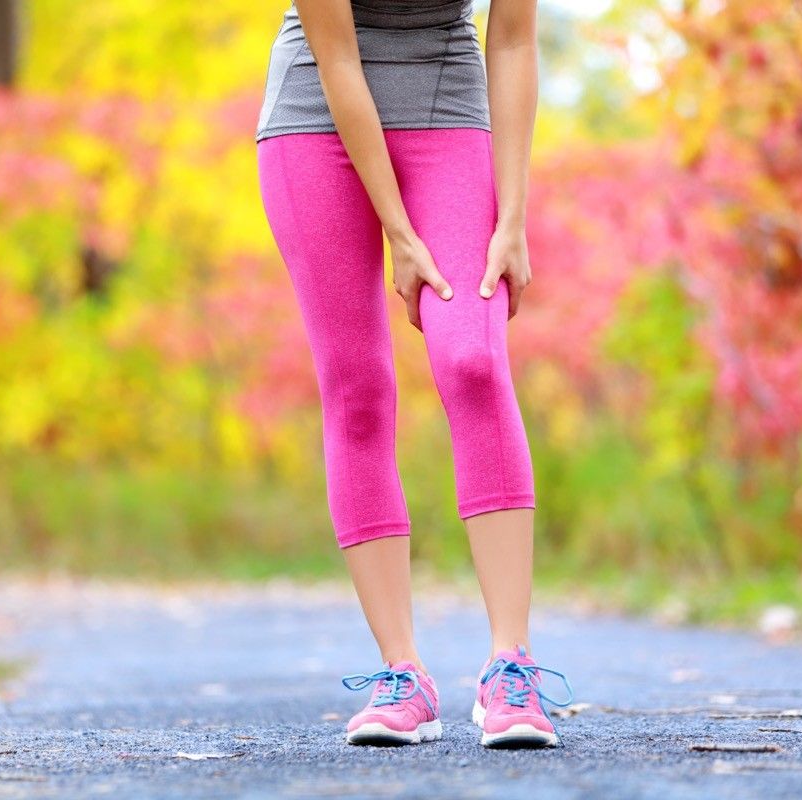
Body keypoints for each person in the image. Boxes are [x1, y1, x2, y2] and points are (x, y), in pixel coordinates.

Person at [254, 0, 573, 748]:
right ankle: (402, 673)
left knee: (473, 360)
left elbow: (517, 37)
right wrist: (399, 230)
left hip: (447, 104)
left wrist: (513, 218)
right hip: (316, 113)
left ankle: (510, 668)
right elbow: (338, 58)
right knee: (358, 390)